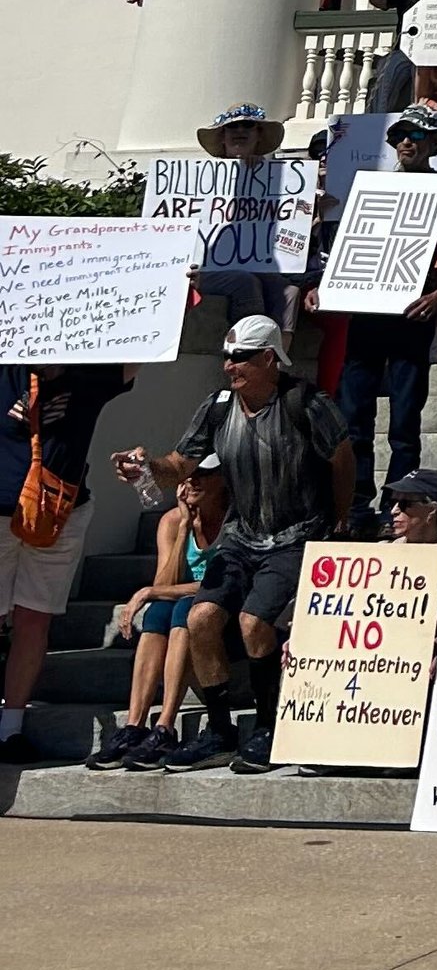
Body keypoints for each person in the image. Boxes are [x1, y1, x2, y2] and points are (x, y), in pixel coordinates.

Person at [113, 316, 354, 773]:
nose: (229, 366)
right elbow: (179, 464)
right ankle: (220, 732)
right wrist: (145, 468)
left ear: (268, 358)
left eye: (240, 357)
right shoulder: (218, 407)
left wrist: (338, 519)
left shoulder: (307, 402)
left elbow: (342, 458)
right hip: (241, 537)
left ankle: (267, 726)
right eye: (226, 357)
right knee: (201, 618)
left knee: (253, 622)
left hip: (297, 535)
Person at [307, 101, 437, 522]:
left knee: (404, 419)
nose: (405, 142)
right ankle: (357, 501)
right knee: (354, 415)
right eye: (398, 134)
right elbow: (352, 251)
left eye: (415, 135)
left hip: (410, 318)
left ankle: (399, 501)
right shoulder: (373, 187)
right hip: (366, 317)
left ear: (434, 143)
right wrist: (324, 287)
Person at [0, 360, 132, 761]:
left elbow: (142, 352)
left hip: (61, 514)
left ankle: (10, 729)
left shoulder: (90, 374)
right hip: (1, 513)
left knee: (34, 618)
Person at [94, 452, 227, 771]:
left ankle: (166, 724)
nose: (192, 482)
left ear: (222, 481)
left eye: (201, 476)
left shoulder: (232, 521)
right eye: (188, 476)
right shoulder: (171, 522)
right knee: (157, 614)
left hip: (220, 614)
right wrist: (183, 526)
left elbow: (219, 585)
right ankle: (135, 725)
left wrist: (150, 592)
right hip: (184, 608)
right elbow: (165, 581)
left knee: (182, 608)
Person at [186, 102, 297, 333]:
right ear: (222, 137)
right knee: (244, 282)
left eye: (248, 126)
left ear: (258, 136)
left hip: (254, 264)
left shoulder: (272, 179)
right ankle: (245, 350)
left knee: (288, 292)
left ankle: (275, 363)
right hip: (205, 270)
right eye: (232, 127)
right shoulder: (201, 178)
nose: (239, 132)